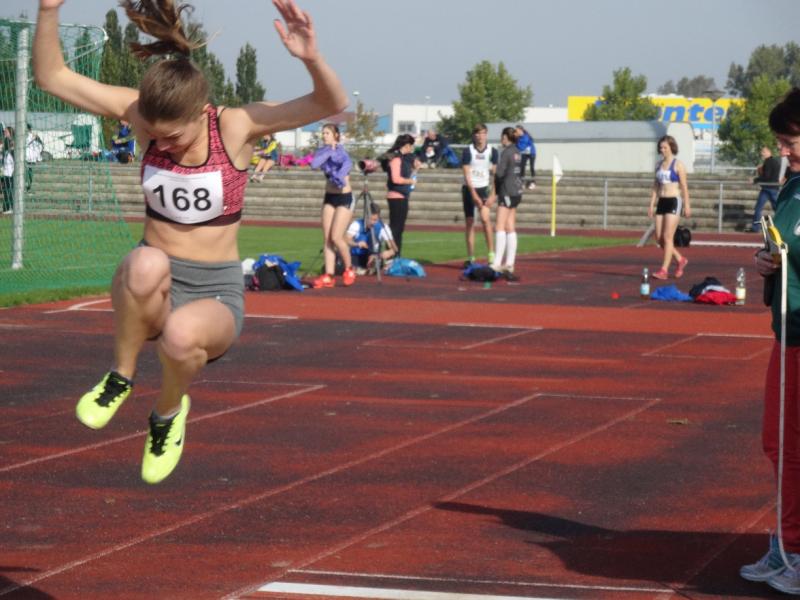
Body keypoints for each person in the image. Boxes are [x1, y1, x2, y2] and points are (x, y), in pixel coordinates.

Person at [33, 0, 347, 484]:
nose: (162, 146)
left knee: (181, 337)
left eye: (174, 138)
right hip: (153, 289)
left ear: (202, 113)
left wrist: (311, 58)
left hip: (214, 294)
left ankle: (166, 414)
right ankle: (120, 375)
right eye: (155, 138)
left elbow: (328, 104)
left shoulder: (235, 127)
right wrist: (48, 9)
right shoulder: (142, 117)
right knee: (145, 263)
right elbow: (52, 77)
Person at [747, 87, 800, 595]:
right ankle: (788, 544)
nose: (782, 152)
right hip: (787, 334)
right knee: (779, 443)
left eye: (790, 142)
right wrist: (766, 260)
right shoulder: (791, 188)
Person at [309, 123, 355, 288]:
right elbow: (314, 164)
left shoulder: (343, 153)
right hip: (329, 197)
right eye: (323, 133)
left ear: (336, 135)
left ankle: (349, 268)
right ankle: (329, 275)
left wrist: (338, 175)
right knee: (327, 239)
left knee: (336, 237)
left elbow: (346, 167)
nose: (324, 136)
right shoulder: (322, 152)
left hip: (344, 197)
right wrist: (328, 152)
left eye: (327, 133)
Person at [647, 134, 690, 280]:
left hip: (674, 201)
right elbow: (656, 186)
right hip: (662, 202)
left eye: (665, 147)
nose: (662, 150)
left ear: (671, 147)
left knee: (667, 236)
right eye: (660, 148)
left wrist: (687, 205)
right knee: (659, 239)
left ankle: (664, 270)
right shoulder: (658, 165)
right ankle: (680, 259)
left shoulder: (678, 165)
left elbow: (684, 186)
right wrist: (651, 204)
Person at [461, 123, 498, 266]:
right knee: (470, 222)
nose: (480, 136)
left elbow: (496, 175)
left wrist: (493, 194)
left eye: (483, 133)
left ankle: (491, 254)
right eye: (477, 133)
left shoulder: (492, 151)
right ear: (474, 135)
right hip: (469, 189)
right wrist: (473, 194)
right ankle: (471, 257)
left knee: (485, 219)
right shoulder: (468, 151)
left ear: (486, 134)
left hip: (484, 188)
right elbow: (466, 174)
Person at [492, 127, 523, 280]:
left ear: (505, 137)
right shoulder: (517, 151)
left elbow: (499, 173)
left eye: (502, 137)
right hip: (517, 191)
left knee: (499, 226)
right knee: (510, 226)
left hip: (507, 191)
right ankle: (509, 263)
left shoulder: (507, 152)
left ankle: (497, 263)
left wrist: (492, 171)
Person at [383, 133, 419, 256]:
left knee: (399, 229)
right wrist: (409, 181)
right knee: (395, 229)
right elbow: (395, 179)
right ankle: (391, 255)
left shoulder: (404, 158)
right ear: (407, 145)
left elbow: (410, 171)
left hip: (402, 196)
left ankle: (396, 255)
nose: (412, 148)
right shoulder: (396, 159)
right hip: (396, 196)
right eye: (411, 145)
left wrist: (416, 168)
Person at [346, 202, 397, 274]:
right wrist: (357, 244)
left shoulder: (383, 227)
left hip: (374, 257)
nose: (372, 222)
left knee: (376, 260)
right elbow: (346, 239)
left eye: (375, 220)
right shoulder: (356, 224)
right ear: (365, 216)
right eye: (370, 219)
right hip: (356, 256)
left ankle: (368, 269)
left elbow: (394, 248)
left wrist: (389, 252)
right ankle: (357, 269)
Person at [752, 145, 783, 233]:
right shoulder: (774, 161)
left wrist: (755, 179)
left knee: (759, 208)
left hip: (769, 188)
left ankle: (756, 228)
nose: (762, 153)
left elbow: (767, 176)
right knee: (775, 208)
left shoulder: (768, 162)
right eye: (762, 152)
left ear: (769, 152)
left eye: (764, 152)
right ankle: (756, 228)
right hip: (771, 188)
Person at [515, 124, 536, 189]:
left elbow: (522, 147)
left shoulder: (526, 137)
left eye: (517, 131)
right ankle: (522, 182)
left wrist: (515, 142)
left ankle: (533, 182)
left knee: (531, 167)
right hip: (524, 153)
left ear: (520, 130)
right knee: (522, 166)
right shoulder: (518, 138)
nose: (516, 132)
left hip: (531, 153)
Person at [25, 124, 44, 191]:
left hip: (30, 156)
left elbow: (40, 146)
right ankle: (28, 184)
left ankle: (29, 184)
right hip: (27, 156)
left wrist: (37, 155)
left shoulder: (32, 136)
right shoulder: (28, 136)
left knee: (29, 170)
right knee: (27, 170)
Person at [1, 126, 14, 214]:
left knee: (9, 191)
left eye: (6, 132)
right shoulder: (6, 149)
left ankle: (10, 208)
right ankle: (6, 208)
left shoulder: (12, 150)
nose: (4, 133)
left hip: (11, 174)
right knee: (5, 191)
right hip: (5, 173)